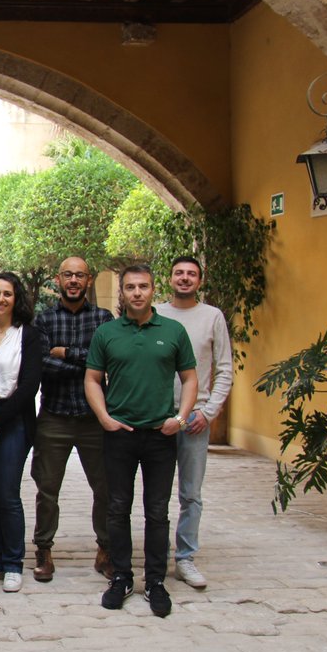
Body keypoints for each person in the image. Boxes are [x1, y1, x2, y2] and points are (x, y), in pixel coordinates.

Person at [86, 264, 197, 618]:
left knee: (157, 511)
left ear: (153, 289)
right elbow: (92, 379)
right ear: (123, 292)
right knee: (117, 508)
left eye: (143, 286)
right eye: (131, 287)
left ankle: (154, 581)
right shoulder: (107, 333)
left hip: (160, 436)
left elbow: (190, 378)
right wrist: (104, 417)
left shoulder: (174, 331)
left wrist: (180, 418)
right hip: (120, 435)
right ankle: (120, 577)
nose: (137, 292)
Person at [30, 256, 114, 582]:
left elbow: (105, 363)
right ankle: (43, 550)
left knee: (104, 488)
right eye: (68, 275)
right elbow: (41, 364)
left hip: (95, 417)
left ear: (89, 280)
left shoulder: (104, 319)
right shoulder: (44, 320)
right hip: (55, 416)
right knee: (47, 489)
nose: (74, 280)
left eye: (80, 275)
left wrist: (65, 352)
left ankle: (105, 549)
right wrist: (88, 363)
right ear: (58, 279)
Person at [155, 256, 233, 590]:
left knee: (191, 493)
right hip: (156, 418)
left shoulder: (212, 316)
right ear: (169, 278)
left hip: (195, 420)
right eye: (179, 273)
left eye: (191, 274)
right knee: (154, 494)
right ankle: (154, 552)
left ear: (199, 281)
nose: (185, 278)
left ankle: (185, 557)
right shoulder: (155, 313)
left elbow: (225, 368)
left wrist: (209, 412)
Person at [0, 272, 43, 593]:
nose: (0, 299)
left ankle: (14, 562)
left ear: (17, 299)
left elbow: (29, 386)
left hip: (13, 421)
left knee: (7, 493)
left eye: (7, 294)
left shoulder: (28, 335)